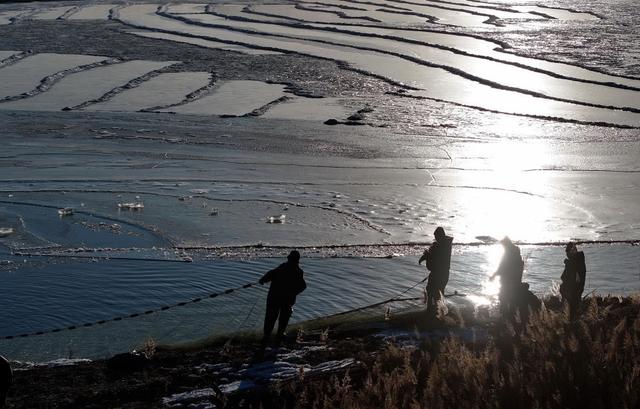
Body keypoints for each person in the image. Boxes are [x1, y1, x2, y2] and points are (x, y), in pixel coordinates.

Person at [259, 250, 307, 345]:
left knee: (271, 317)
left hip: (274, 298)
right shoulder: (298, 271)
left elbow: (269, 275)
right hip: (287, 300)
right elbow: (303, 286)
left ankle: (267, 336)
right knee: (283, 318)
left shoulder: (281, 268)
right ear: (297, 260)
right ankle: (279, 335)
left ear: (289, 258)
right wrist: (293, 293)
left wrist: (262, 280)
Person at [418, 227, 453, 318]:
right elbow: (433, 255)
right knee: (432, 291)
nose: (436, 239)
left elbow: (437, 258)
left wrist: (427, 256)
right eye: (435, 237)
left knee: (436, 293)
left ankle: (435, 314)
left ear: (441, 236)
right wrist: (427, 255)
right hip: (439, 273)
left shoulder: (443, 247)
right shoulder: (441, 245)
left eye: (437, 237)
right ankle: (433, 311)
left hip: (440, 274)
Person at [490, 237, 524, 317]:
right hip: (514, 282)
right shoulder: (515, 254)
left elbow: (502, 267)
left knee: (504, 298)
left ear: (506, 244)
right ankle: (510, 316)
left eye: (503, 244)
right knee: (511, 300)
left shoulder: (508, 254)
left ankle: (505, 318)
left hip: (508, 282)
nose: (503, 246)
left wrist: (493, 276)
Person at [559, 242, 586, 320]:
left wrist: (567, 263)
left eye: (570, 251)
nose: (567, 254)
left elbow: (565, 276)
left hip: (574, 289)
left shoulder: (576, 261)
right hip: (573, 289)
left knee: (573, 308)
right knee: (572, 309)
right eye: (568, 252)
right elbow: (564, 277)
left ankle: (572, 322)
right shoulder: (574, 261)